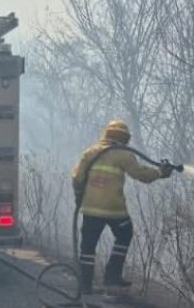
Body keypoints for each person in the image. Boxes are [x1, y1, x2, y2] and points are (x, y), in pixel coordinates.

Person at [70, 120, 174, 295]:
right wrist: (160, 172)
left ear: (107, 134)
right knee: (124, 235)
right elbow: (141, 174)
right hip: (114, 210)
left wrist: (79, 196)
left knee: (87, 247)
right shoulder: (123, 155)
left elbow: (77, 178)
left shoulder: (91, 152)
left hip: (90, 209)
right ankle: (112, 277)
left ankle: (85, 285)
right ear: (125, 138)